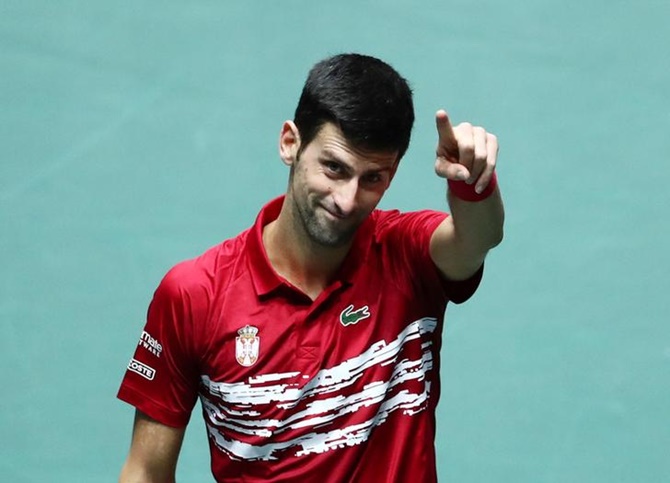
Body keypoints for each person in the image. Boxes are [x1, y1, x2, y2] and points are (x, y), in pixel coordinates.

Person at [117, 53, 504, 482]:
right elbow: (146, 472)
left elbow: (475, 238)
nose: (346, 199)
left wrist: (472, 186)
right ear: (290, 143)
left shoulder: (408, 257)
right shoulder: (194, 294)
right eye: (334, 168)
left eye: (372, 178)